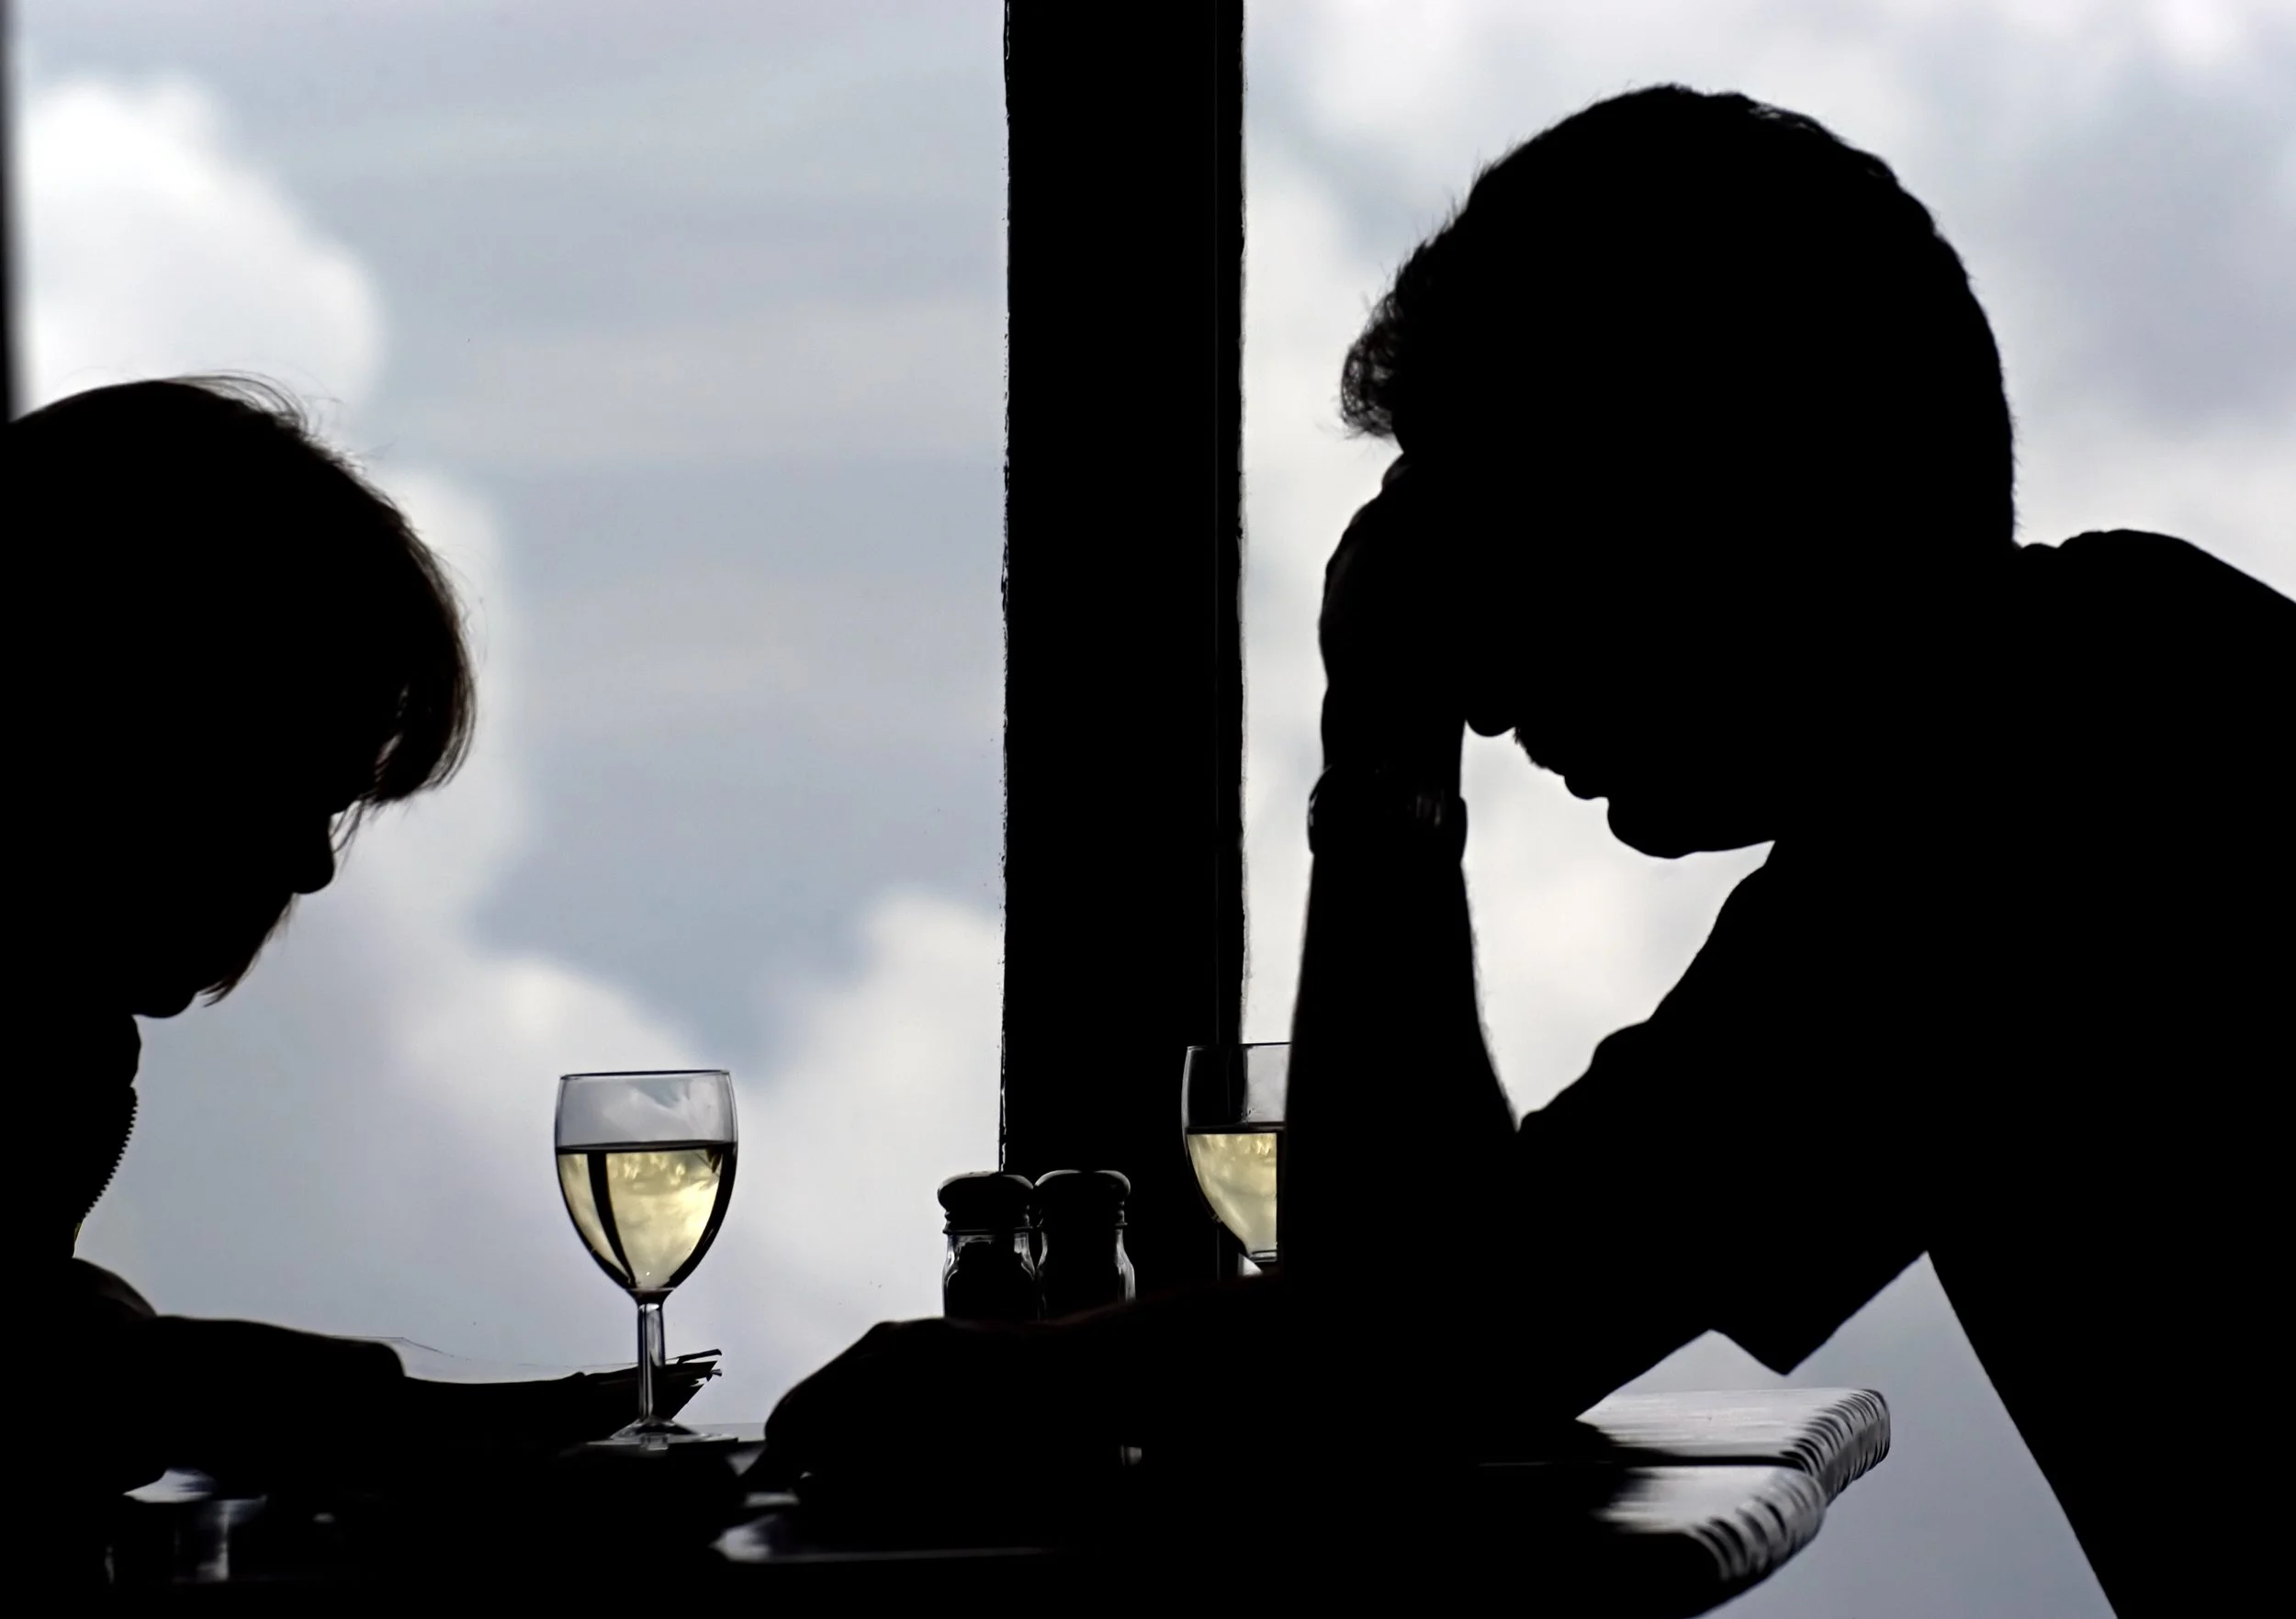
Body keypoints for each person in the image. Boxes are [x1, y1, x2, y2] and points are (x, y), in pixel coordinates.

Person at [764, 87, 2292, 1613]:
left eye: (1509, 534)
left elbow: (1439, 1335)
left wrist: (1011, 1377)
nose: (1487, 669)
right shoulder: (2083, 710)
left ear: (1702, 482)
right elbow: (1458, 1296)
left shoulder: (2018, 806)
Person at [18, 377, 581, 1548]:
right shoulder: (27, 1051)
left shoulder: (53, 1036)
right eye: (286, 787)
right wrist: (161, 1376)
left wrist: (125, 1348)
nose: (310, 868)